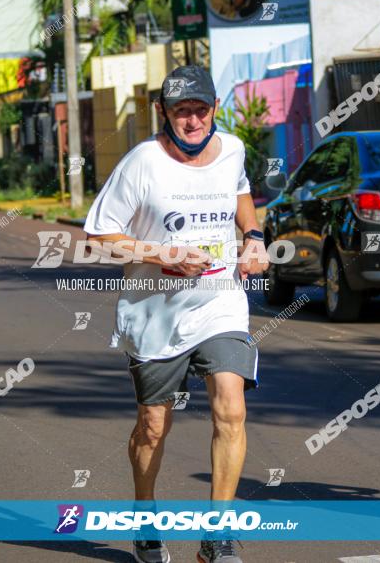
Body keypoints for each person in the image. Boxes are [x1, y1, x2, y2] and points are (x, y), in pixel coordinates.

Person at [83, 65, 269, 563]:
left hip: (220, 300)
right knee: (152, 427)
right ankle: (145, 517)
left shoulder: (231, 150)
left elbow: (241, 193)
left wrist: (252, 237)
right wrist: (162, 254)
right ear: (163, 112)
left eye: (200, 110)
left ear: (213, 110)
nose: (191, 121)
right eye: (181, 111)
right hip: (155, 312)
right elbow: (98, 237)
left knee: (231, 406)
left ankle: (216, 536)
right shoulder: (142, 162)